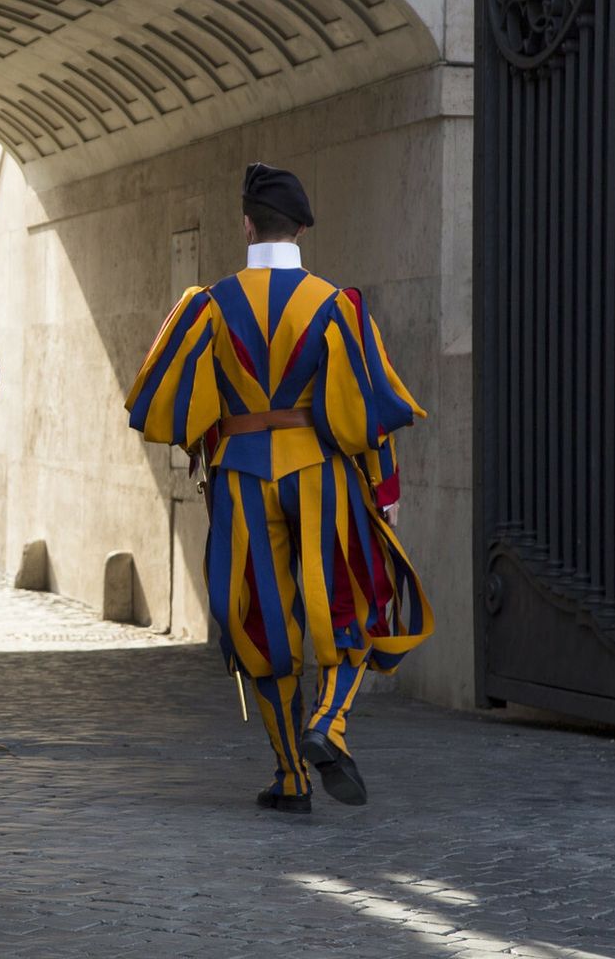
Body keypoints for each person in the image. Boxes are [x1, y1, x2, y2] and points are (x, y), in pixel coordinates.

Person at [124, 162, 432, 813]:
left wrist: (210, 451)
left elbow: (175, 401)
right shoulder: (333, 304)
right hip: (318, 468)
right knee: (347, 601)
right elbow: (367, 403)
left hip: (240, 473)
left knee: (263, 619)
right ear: (301, 229)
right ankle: (331, 723)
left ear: (245, 225)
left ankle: (291, 776)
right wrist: (385, 485)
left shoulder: (209, 304)